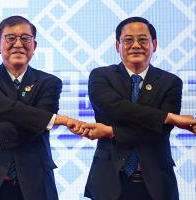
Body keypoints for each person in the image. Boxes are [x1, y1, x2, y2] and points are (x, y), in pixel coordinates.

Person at [0, 16, 82, 200]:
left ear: (34, 46)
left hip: (35, 176)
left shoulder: (49, 82)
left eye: (25, 38)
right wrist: (53, 119)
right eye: (11, 38)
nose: (18, 44)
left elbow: (35, 129)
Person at [79, 17, 196, 200]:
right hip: (108, 180)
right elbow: (116, 108)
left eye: (143, 40)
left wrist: (111, 131)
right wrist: (169, 116)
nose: (135, 45)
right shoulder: (101, 76)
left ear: (154, 44)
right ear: (117, 45)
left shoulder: (171, 82)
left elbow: (159, 131)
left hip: (158, 183)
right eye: (128, 40)